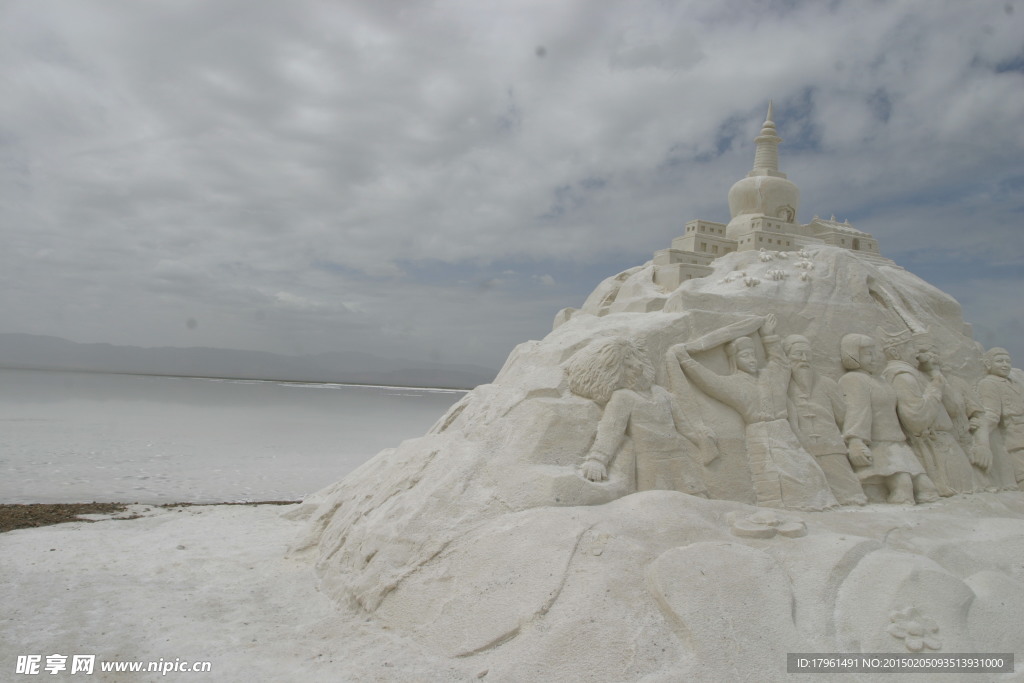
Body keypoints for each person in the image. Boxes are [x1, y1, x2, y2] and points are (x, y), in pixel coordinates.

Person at [670, 315, 837, 511]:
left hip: (784, 430)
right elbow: (708, 381)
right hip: (760, 434)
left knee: (805, 468)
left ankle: (814, 502)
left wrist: (768, 336)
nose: (751, 359)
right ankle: (776, 506)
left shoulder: (772, 375)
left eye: (752, 355)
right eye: (744, 356)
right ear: (734, 360)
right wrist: (684, 359)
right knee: (771, 474)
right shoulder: (734, 384)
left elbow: (781, 363)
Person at [566, 336, 712, 497]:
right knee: (657, 503)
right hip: (651, 462)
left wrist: (701, 438)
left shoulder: (662, 393)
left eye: (635, 357)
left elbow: (683, 425)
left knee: (698, 497)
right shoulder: (623, 397)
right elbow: (611, 430)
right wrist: (597, 460)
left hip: (680, 457)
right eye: (628, 363)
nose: (637, 365)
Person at [838, 333, 938, 504]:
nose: (875, 357)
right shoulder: (853, 379)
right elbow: (857, 411)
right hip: (878, 444)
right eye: (868, 354)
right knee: (903, 488)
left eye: (874, 352)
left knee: (927, 489)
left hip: (897, 442)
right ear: (852, 355)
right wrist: (855, 441)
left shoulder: (880, 380)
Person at [880, 332, 976, 496]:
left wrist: (935, 373)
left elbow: (954, 410)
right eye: (911, 348)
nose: (916, 353)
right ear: (896, 353)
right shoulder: (903, 376)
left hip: (946, 445)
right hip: (933, 449)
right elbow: (916, 419)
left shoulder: (918, 374)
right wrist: (934, 388)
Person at [783, 334, 867, 505]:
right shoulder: (781, 387)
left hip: (831, 448)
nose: (804, 359)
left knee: (852, 496)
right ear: (787, 357)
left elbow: (844, 417)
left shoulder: (827, 384)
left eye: (807, 354)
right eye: (798, 354)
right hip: (800, 449)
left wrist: (854, 441)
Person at [975, 347, 1024, 489]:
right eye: (999, 361)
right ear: (988, 364)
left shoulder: (1015, 382)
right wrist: (981, 441)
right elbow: (991, 416)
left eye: (1007, 361)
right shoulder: (988, 383)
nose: (1005, 364)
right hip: (1015, 440)